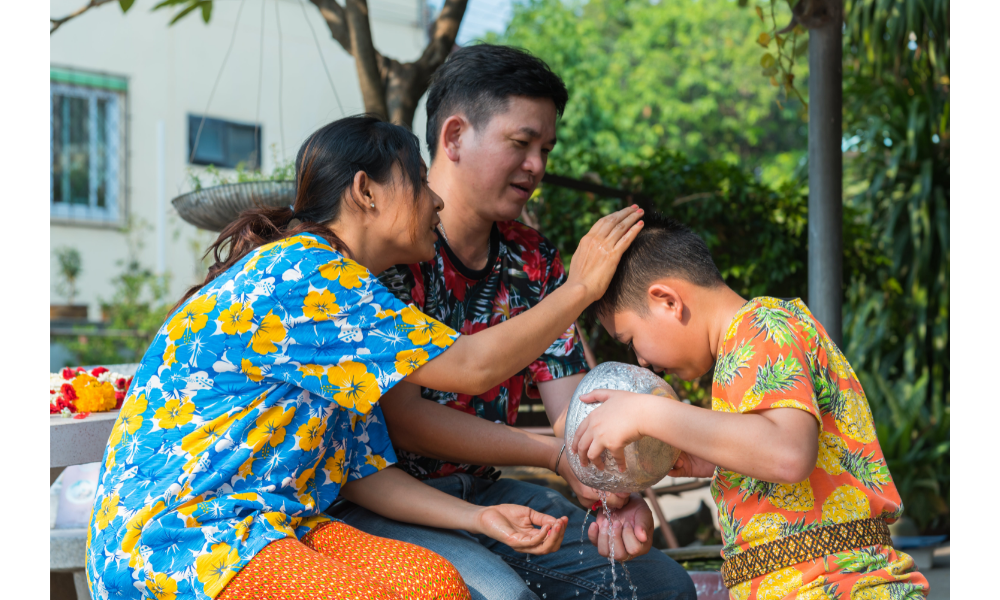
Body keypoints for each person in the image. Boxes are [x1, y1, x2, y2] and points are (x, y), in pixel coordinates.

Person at [84, 115, 645, 600]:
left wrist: (481, 518)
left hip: (272, 526)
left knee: (434, 584)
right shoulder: (305, 272)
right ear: (366, 191)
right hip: (181, 538)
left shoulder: (349, 295)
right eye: (421, 184)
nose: (438, 200)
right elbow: (472, 366)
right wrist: (579, 289)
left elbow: (363, 473)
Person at [332, 44, 696, 600]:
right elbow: (405, 419)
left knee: (662, 587)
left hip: (486, 492)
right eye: (521, 144)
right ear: (453, 137)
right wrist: (556, 455)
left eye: (546, 148)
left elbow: (577, 415)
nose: (538, 166)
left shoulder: (534, 260)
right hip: (380, 502)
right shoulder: (386, 254)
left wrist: (613, 488)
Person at [571, 214, 930, 600]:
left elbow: (788, 453)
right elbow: (782, 455)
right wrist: (715, 460)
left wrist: (646, 412)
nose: (641, 361)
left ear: (668, 301)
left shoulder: (760, 325)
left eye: (630, 340)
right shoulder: (742, 351)